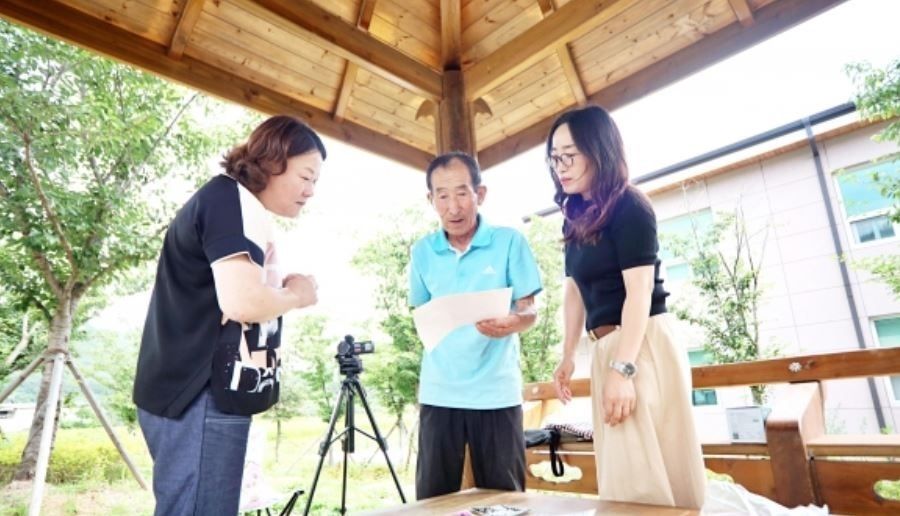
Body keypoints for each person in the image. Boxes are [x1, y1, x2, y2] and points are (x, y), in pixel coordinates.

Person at [132, 115, 325, 515]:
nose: (310, 191)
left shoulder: (231, 202)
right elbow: (242, 303)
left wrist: (278, 290)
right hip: (199, 393)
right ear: (273, 160)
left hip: (193, 392)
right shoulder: (230, 201)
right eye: (306, 177)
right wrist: (297, 295)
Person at [547, 106, 706, 509]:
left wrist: (623, 369)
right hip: (606, 348)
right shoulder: (574, 217)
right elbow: (574, 290)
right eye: (555, 157)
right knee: (624, 476)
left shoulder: (630, 205)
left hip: (641, 344)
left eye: (569, 155)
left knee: (650, 477)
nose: (560, 167)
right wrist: (568, 354)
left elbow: (640, 292)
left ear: (598, 150)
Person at [409, 151, 543, 500]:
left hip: (496, 391)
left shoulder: (509, 241)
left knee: (505, 500)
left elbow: (530, 311)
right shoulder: (422, 252)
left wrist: (513, 322)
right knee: (433, 500)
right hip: (440, 391)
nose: (453, 207)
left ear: (479, 194)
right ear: (431, 200)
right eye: (442, 196)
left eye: (461, 193)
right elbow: (421, 313)